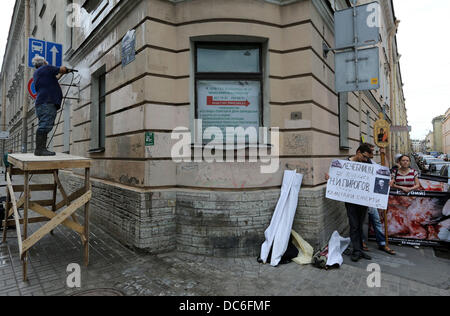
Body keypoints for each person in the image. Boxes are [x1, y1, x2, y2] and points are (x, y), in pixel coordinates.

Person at [326, 144, 373, 262]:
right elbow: (336, 176)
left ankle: (360, 249)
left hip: (363, 200)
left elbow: (375, 176)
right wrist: (329, 177)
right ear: (358, 152)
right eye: (364, 156)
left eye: (367, 158)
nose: (365, 159)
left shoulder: (368, 163)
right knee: (354, 225)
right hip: (350, 200)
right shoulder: (344, 163)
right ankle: (356, 250)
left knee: (360, 225)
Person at [32, 55, 69, 156]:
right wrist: (66, 69)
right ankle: (40, 150)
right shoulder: (46, 68)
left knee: (44, 125)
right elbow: (62, 69)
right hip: (47, 102)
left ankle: (41, 149)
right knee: (45, 126)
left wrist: (61, 73)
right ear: (44, 62)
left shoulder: (38, 73)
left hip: (42, 103)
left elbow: (55, 77)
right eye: (46, 62)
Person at [362, 144, 396, 256]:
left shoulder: (371, 163)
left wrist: (384, 154)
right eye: (371, 151)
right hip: (359, 198)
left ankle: (382, 243)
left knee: (376, 220)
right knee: (362, 221)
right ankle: (362, 242)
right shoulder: (355, 163)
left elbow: (384, 169)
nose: (372, 154)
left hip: (371, 197)